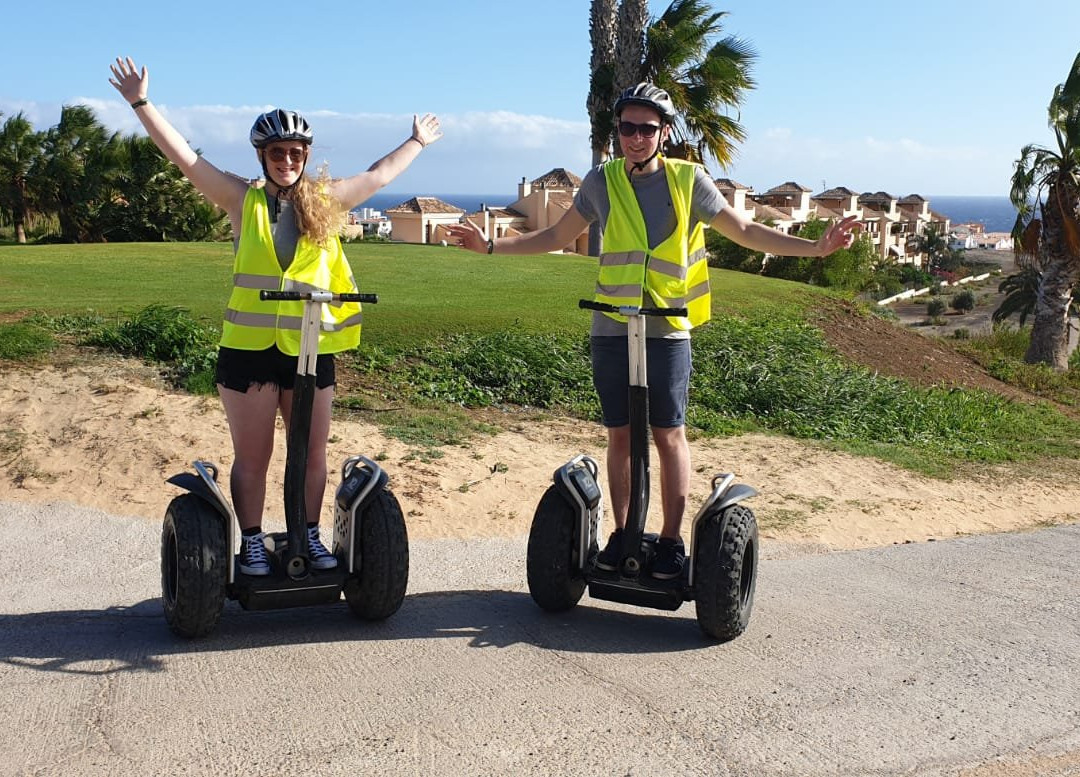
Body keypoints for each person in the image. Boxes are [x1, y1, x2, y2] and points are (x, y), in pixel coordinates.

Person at [448, 82, 856, 581]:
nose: (636, 138)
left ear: (663, 133)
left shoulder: (689, 181)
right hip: (612, 324)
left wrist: (816, 249)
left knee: (668, 434)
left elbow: (745, 231)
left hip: (666, 327)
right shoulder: (603, 181)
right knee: (619, 435)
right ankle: (622, 534)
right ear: (617, 132)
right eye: (627, 128)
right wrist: (490, 247)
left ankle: (668, 542)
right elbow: (556, 236)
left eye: (646, 128)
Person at [109, 56, 442, 576]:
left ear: (305, 156)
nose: (286, 159)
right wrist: (140, 103)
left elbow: (379, 175)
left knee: (311, 454)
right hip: (248, 352)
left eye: (295, 151)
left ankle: (308, 537)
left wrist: (417, 140)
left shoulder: (326, 202)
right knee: (255, 456)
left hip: (312, 349)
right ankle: (254, 542)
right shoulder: (243, 201)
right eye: (277, 152)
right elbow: (185, 160)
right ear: (262, 155)